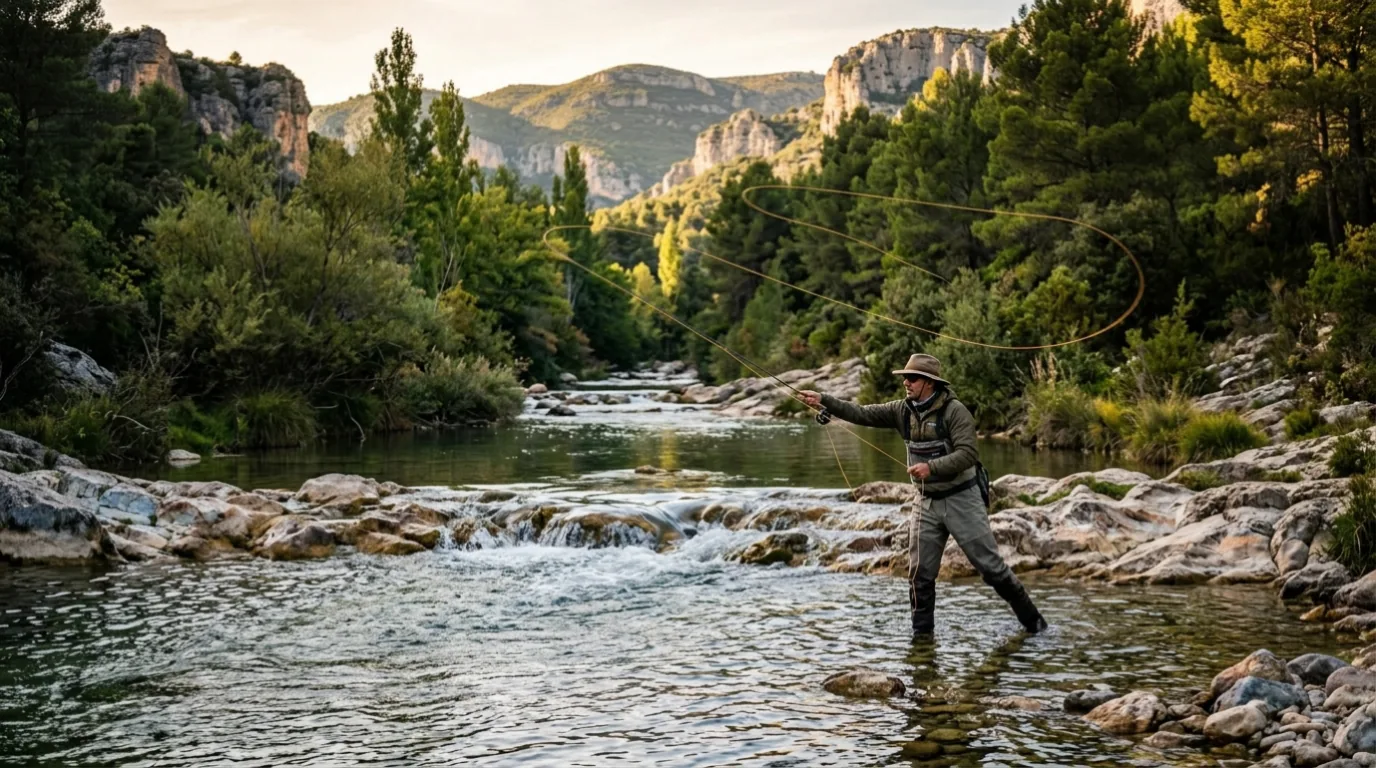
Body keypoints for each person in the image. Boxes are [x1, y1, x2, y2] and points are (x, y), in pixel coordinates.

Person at [799, 353, 1048, 636]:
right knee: (919, 575)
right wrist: (824, 400)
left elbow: (968, 454)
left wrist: (931, 467)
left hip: (962, 498)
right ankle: (922, 643)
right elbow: (861, 413)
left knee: (991, 569)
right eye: (904, 377)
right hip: (926, 502)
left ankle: (1035, 625)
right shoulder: (901, 410)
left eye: (912, 378)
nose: (906, 382)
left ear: (929, 383)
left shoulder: (956, 412)